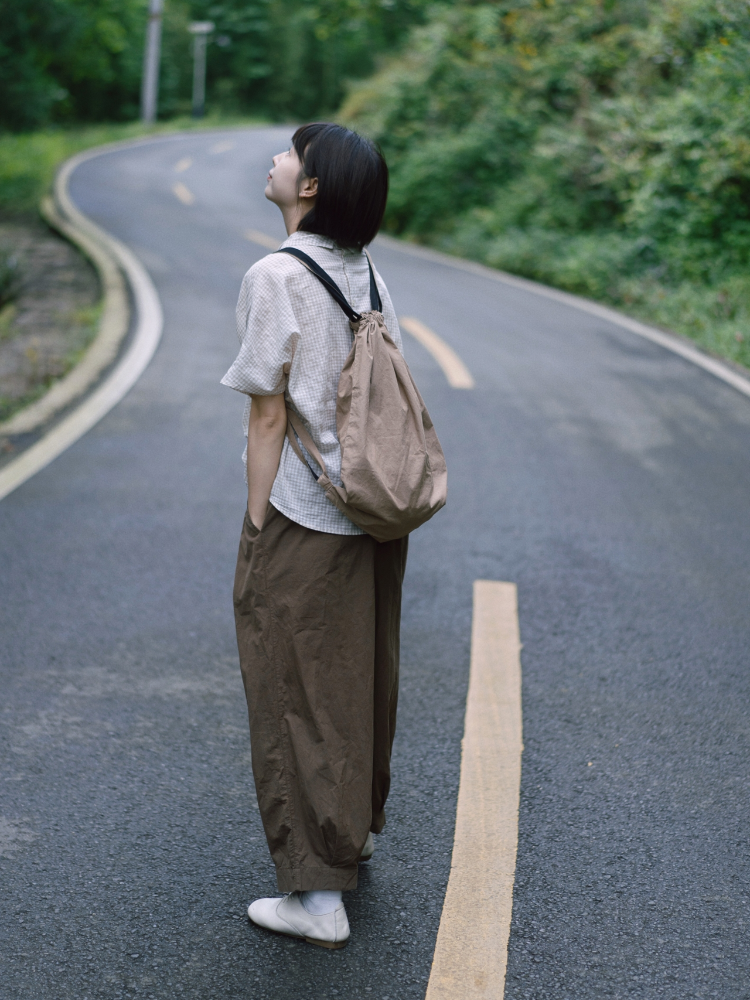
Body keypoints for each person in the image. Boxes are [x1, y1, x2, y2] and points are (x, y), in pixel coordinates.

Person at [221, 123, 408, 949]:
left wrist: (258, 522)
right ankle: (352, 835)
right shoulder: (364, 269)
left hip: (305, 514)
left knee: (294, 690)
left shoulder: (275, 274)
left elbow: (268, 410)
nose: (276, 157)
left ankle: (314, 892)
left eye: (291, 153)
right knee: (361, 679)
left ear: (311, 190)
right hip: (373, 511)